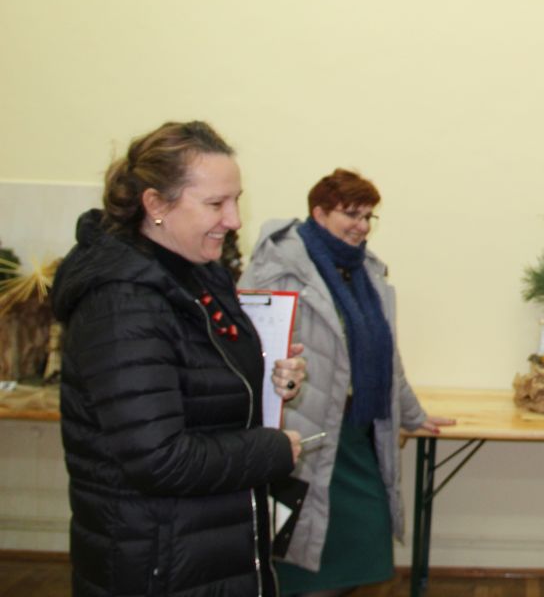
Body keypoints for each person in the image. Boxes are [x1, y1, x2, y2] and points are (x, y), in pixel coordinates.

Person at [53, 120, 308, 597]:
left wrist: (272, 381)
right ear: (156, 205)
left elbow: (202, 393)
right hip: (160, 560)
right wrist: (270, 451)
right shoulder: (122, 302)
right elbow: (159, 458)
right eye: (216, 204)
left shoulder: (198, 274)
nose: (234, 220)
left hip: (207, 546)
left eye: (236, 200)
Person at [241, 168, 454, 597]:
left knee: (363, 544)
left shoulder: (365, 272)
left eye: (368, 216)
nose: (361, 226)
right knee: (302, 553)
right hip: (305, 432)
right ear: (319, 213)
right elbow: (250, 343)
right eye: (351, 214)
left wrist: (413, 414)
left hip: (356, 433)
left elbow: (385, 356)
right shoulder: (278, 266)